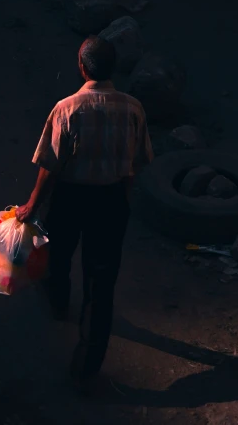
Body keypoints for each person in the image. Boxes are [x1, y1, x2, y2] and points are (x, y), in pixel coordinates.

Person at [15, 35, 153, 391]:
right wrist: (121, 195)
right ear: (114, 67)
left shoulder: (67, 108)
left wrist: (32, 204)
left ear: (81, 66)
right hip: (110, 202)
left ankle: (59, 302)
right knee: (100, 282)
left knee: (58, 257)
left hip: (71, 198)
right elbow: (138, 162)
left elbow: (50, 166)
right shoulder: (133, 108)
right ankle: (86, 366)